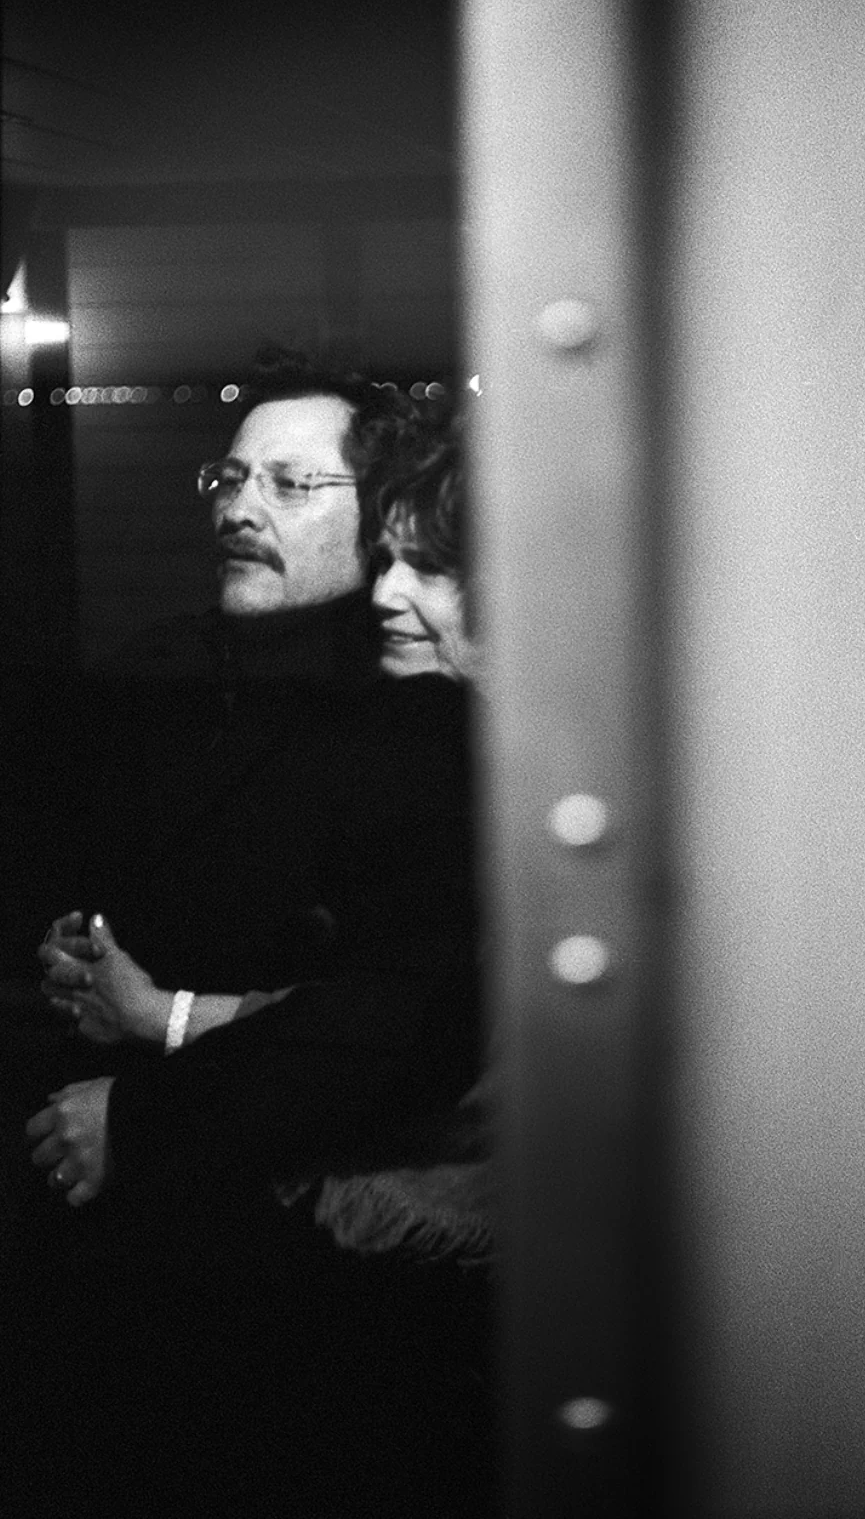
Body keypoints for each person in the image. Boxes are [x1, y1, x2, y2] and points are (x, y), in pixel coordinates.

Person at [3, 364, 488, 1516]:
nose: (239, 506)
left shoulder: (428, 712)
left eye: (289, 483)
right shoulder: (157, 671)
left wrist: (150, 1067)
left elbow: (404, 1022)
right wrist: (71, 956)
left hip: (308, 1249)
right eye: (229, 478)